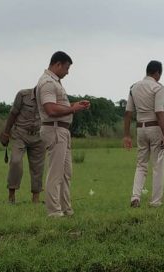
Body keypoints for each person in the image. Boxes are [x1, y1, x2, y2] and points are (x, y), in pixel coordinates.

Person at [36, 51, 90, 217]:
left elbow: (58, 105)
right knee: (56, 172)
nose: (68, 72)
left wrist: (75, 105)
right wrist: (73, 108)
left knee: (66, 173)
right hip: (54, 129)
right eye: (66, 68)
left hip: (62, 130)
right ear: (57, 64)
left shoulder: (55, 82)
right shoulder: (47, 82)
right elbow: (50, 108)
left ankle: (66, 208)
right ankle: (54, 211)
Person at [122, 60, 164, 208]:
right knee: (158, 165)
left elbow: (128, 113)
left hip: (140, 128)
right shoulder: (158, 87)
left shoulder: (133, 87)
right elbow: (159, 112)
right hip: (154, 128)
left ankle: (135, 196)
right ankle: (155, 202)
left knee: (141, 165)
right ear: (157, 73)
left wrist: (127, 135)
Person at [0, 88, 44, 204]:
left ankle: (36, 198)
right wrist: (6, 132)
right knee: (15, 161)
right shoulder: (23, 95)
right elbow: (13, 113)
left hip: (39, 136)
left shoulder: (49, 96)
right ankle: (11, 196)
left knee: (37, 167)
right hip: (20, 134)